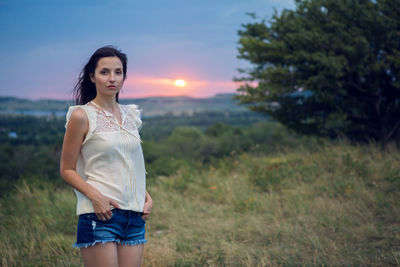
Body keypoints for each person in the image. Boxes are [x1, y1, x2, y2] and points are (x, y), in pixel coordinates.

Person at [60, 45, 152, 267]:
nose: (112, 78)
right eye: (104, 72)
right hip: (100, 215)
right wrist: (96, 197)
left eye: (118, 72)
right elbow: (66, 169)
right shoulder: (82, 116)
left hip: (135, 216)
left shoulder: (131, 115)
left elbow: (125, 164)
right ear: (92, 76)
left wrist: (145, 196)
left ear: (124, 76)